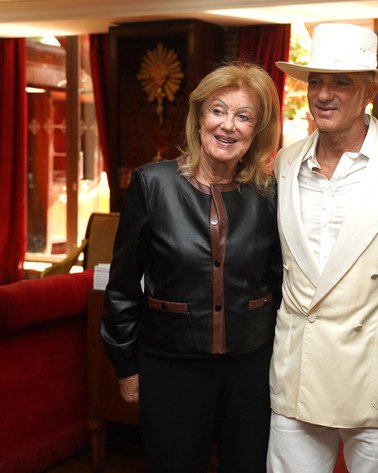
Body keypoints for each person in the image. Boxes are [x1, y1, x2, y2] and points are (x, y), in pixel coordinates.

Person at [100, 63, 283, 473]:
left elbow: (279, 280)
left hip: (250, 370)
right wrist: (126, 365)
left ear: (257, 130)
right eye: (218, 111)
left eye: (243, 117)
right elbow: (122, 285)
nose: (228, 126)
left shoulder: (268, 195)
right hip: (171, 366)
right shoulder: (153, 184)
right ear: (199, 116)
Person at [268, 23, 378, 473]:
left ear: (369, 92)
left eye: (341, 82)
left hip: (373, 376)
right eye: (316, 81)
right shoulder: (286, 160)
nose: (324, 94)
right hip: (297, 370)